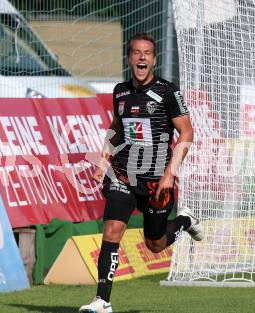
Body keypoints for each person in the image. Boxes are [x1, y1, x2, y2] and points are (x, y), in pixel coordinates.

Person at [79, 32, 203, 313]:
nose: (142, 57)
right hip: (123, 174)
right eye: (137, 52)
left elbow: (186, 132)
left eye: (147, 53)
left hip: (157, 183)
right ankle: (102, 301)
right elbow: (117, 127)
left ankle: (184, 221)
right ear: (129, 58)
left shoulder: (167, 92)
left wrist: (170, 174)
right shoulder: (120, 91)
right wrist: (103, 159)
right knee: (111, 231)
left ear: (154, 59)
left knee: (155, 244)